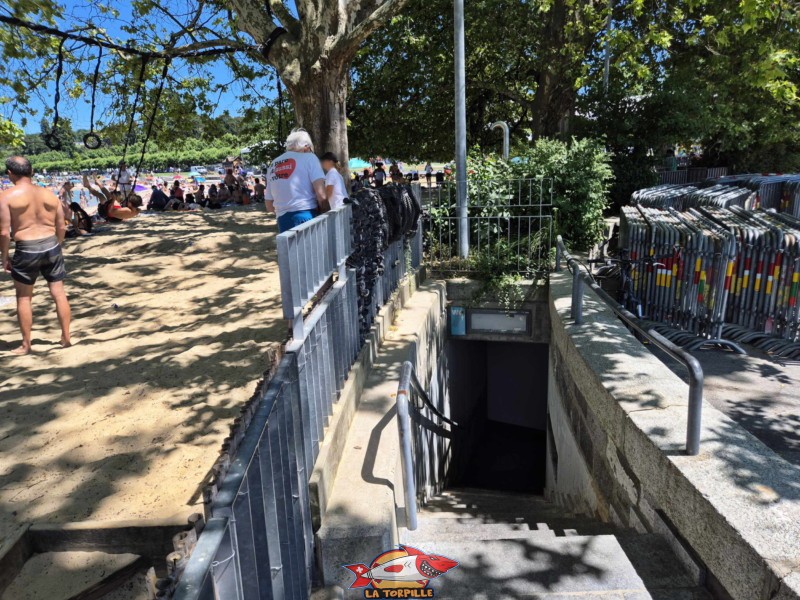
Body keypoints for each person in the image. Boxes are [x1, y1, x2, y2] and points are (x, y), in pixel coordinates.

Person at [0, 156, 71, 354]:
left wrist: (4, 257)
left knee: (24, 298)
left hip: (27, 247)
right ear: (32, 172)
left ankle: (26, 345)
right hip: (51, 245)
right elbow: (61, 224)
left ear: (10, 174)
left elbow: (4, 232)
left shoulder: (6, 197)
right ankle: (66, 337)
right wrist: (59, 244)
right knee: (58, 293)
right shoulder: (49, 194)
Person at [265, 128, 327, 233]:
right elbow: (321, 196)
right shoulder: (310, 158)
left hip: (282, 220)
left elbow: (269, 205)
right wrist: (325, 211)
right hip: (307, 216)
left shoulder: (274, 163)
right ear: (306, 147)